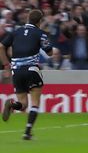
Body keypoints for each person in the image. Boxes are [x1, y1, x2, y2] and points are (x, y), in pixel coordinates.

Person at [1, 10, 53, 140]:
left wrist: (6, 65)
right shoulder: (41, 33)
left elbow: (1, 46)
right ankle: (27, 132)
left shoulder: (16, 32)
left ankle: (13, 105)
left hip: (16, 71)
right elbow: (50, 52)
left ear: (28, 19)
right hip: (31, 70)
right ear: (39, 21)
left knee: (23, 104)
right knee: (34, 103)